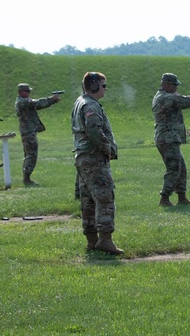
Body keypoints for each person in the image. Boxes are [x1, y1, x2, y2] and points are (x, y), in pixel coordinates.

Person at [71, 72, 123, 255]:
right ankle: (105, 239)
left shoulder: (80, 102)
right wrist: (107, 148)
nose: (105, 89)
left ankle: (92, 240)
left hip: (84, 157)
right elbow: (94, 129)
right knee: (104, 197)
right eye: (103, 85)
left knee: (88, 200)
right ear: (93, 86)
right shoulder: (90, 104)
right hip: (93, 158)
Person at [152, 73, 190, 206]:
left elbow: (181, 99)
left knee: (181, 168)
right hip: (167, 138)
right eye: (174, 85)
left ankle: (182, 197)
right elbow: (185, 101)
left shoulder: (165, 96)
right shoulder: (165, 98)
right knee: (174, 168)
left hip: (169, 138)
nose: (176, 88)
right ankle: (165, 198)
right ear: (166, 84)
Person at [15, 82, 62, 186]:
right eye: (27, 91)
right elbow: (37, 103)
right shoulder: (22, 102)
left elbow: (38, 105)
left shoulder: (23, 101)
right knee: (31, 155)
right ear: (21, 92)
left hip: (28, 131)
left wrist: (52, 101)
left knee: (29, 154)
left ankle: (26, 177)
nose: (29, 93)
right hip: (28, 131)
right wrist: (51, 99)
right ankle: (27, 178)